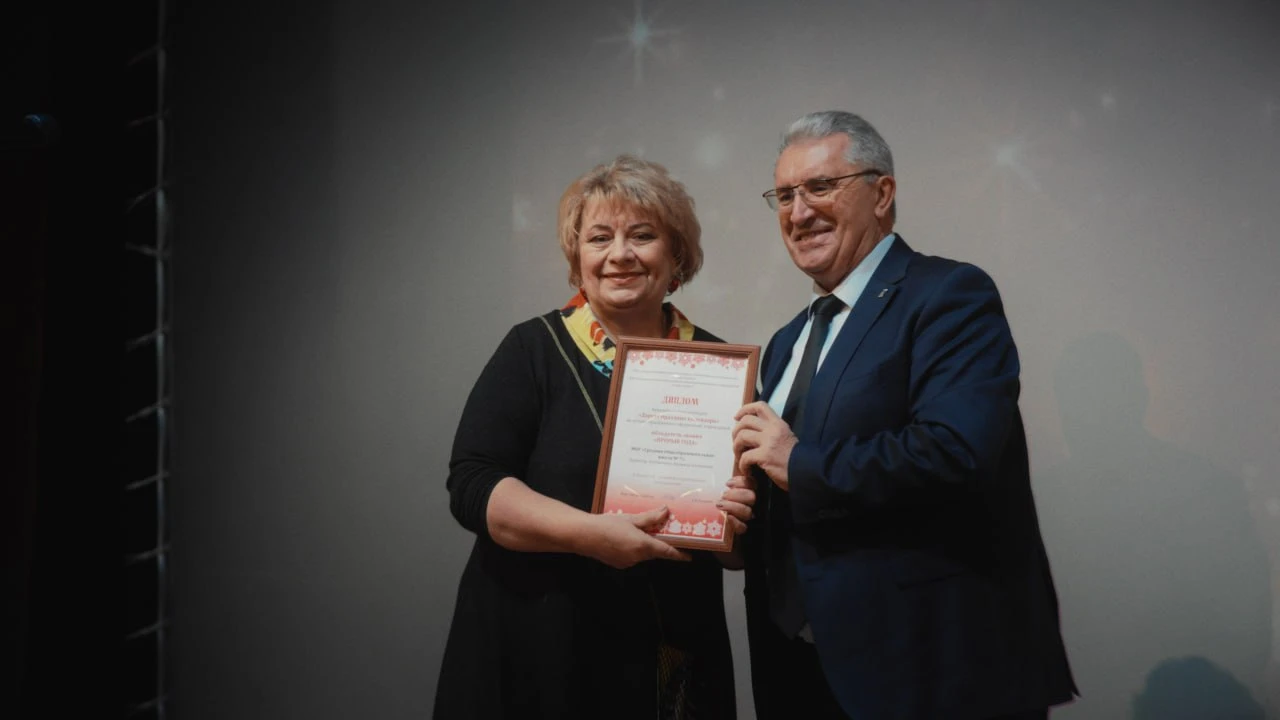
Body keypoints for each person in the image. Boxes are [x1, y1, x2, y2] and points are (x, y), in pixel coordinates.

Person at [731, 111, 1078, 719]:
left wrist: (797, 462)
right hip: (796, 666)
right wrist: (735, 515)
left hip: (926, 664)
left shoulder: (949, 295)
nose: (799, 212)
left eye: (820, 187)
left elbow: (955, 451)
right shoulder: (787, 341)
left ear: (882, 193)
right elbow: (790, 494)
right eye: (784, 196)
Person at [435, 155, 753, 719]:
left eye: (643, 235)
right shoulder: (532, 349)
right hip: (540, 646)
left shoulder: (722, 368)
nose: (620, 254)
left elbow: (742, 545)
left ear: (676, 255)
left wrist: (739, 523)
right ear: (577, 258)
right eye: (600, 237)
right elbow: (473, 485)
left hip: (669, 652)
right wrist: (590, 535)